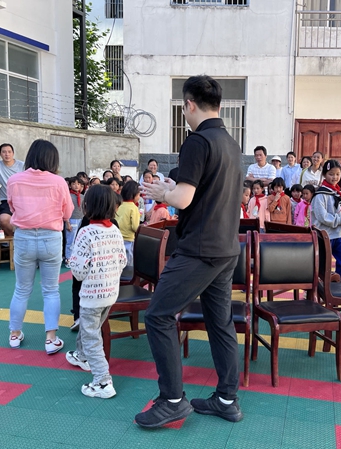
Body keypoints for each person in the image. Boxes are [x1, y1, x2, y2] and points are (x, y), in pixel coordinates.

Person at [135, 75, 243, 428]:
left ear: (189, 105)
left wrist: (161, 194)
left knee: (158, 315)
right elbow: (200, 191)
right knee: (220, 323)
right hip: (226, 247)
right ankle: (227, 398)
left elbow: (183, 199)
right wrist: (171, 188)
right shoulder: (230, 143)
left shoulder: (197, 141)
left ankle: (172, 400)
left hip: (198, 249)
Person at [7, 139, 73, 354]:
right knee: (51, 290)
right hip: (50, 238)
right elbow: (67, 213)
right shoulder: (59, 182)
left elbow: (11, 206)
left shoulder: (14, 180)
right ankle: (50, 339)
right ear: (52, 160)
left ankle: (15, 334)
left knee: (21, 289)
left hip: (24, 237)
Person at [66, 185, 127, 398]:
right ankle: (81, 355)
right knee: (91, 327)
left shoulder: (86, 232)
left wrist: (72, 262)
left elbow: (80, 272)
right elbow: (122, 261)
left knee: (92, 335)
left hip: (92, 295)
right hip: (111, 292)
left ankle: (103, 381)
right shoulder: (115, 231)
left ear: (86, 207)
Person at [311, 160, 341, 282]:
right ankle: (320, 287)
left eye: (337, 174)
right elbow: (322, 216)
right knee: (323, 265)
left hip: (339, 234)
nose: (334, 177)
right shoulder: (320, 194)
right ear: (324, 174)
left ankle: (336, 281)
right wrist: (340, 220)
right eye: (331, 174)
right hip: (324, 234)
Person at [115, 181, 140, 266]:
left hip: (117, 238)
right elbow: (135, 227)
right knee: (128, 264)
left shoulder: (119, 205)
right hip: (129, 239)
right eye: (139, 195)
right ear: (134, 195)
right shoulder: (134, 208)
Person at [64, 176, 84, 265]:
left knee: (80, 241)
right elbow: (65, 209)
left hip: (81, 219)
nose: (76, 186)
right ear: (70, 185)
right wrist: (67, 222)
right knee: (70, 241)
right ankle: (68, 258)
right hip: (71, 219)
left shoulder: (82, 196)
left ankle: (77, 258)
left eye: (78, 184)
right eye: (74, 184)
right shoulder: (68, 196)